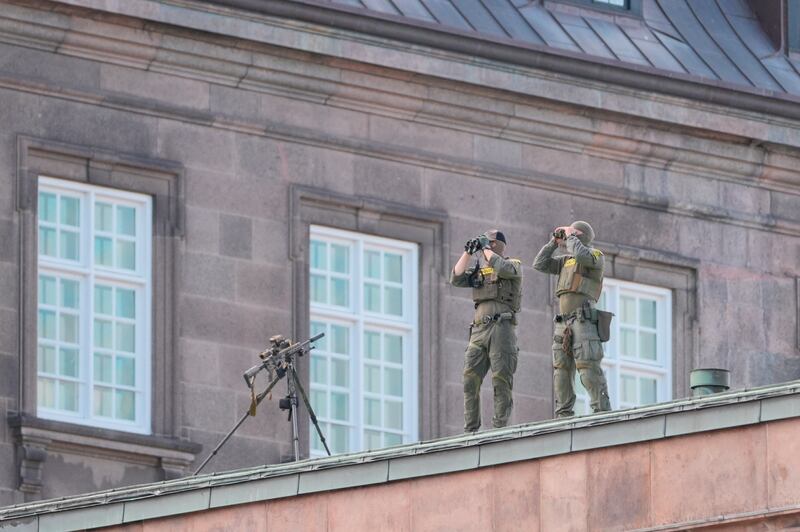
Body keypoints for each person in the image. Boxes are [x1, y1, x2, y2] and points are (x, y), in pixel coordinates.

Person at [533, 221, 611, 418]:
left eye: (574, 233)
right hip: (563, 323)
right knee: (561, 369)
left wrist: (570, 236)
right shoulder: (566, 261)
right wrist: (553, 242)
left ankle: (601, 411)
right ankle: (563, 414)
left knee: (587, 367)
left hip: (583, 321)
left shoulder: (595, 256)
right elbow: (539, 264)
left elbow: (582, 255)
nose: (569, 237)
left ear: (582, 236)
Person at [450, 230, 522, 432]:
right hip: (479, 330)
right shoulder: (480, 270)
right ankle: (471, 429)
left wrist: (486, 250)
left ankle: (500, 427)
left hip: (501, 328)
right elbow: (455, 278)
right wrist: (468, 253)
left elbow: (502, 267)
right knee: (469, 378)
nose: (486, 247)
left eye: (490, 243)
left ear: (497, 245)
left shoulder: (513, 265)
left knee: (501, 378)